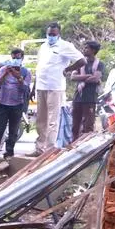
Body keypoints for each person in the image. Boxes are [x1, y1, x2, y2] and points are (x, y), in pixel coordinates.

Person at [33, 22, 84, 154]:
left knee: (52, 120)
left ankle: (49, 150)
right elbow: (39, 67)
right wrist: (34, 86)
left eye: (53, 34)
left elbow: (81, 60)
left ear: (58, 34)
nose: (50, 36)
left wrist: (68, 69)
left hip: (55, 87)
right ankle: (39, 148)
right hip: (41, 86)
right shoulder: (43, 47)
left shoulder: (65, 46)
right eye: (49, 34)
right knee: (41, 119)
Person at [0, 47, 31, 161]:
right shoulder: (3, 69)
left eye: (18, 57)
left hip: (17, 105)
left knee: (13, 132)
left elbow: (26, 90)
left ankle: (9, 154)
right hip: (3, 104)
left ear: (22, 59)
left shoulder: (25, 72)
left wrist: (19, 78)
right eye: (13, 57)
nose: (15, 60)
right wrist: (5, 74)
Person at [67, 40, 104, 141]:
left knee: (88, 126)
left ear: (93, 50)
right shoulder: (80, 62)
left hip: (90, 99)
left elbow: (96, 78)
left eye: (86, 48)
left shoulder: (99, 64)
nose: (84, 49)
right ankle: (73, 146)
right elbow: (73, 77)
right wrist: (88, 76)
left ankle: (86, 147)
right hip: (77, 98)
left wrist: (82, 78)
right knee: (75, 126)